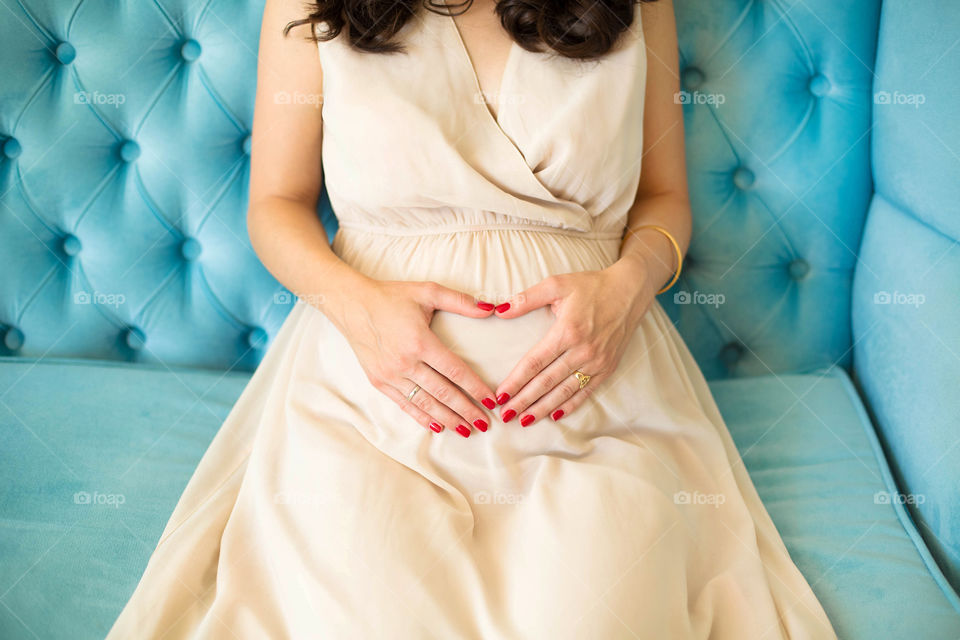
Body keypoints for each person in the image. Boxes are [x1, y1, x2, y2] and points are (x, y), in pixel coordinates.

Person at [108, 0, 837, 637]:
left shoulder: (634, 1)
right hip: (372, 394)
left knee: (595, 620)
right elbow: (275, 207)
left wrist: (628, 287)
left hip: (591, 393)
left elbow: (663, 198)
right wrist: (357, 310)